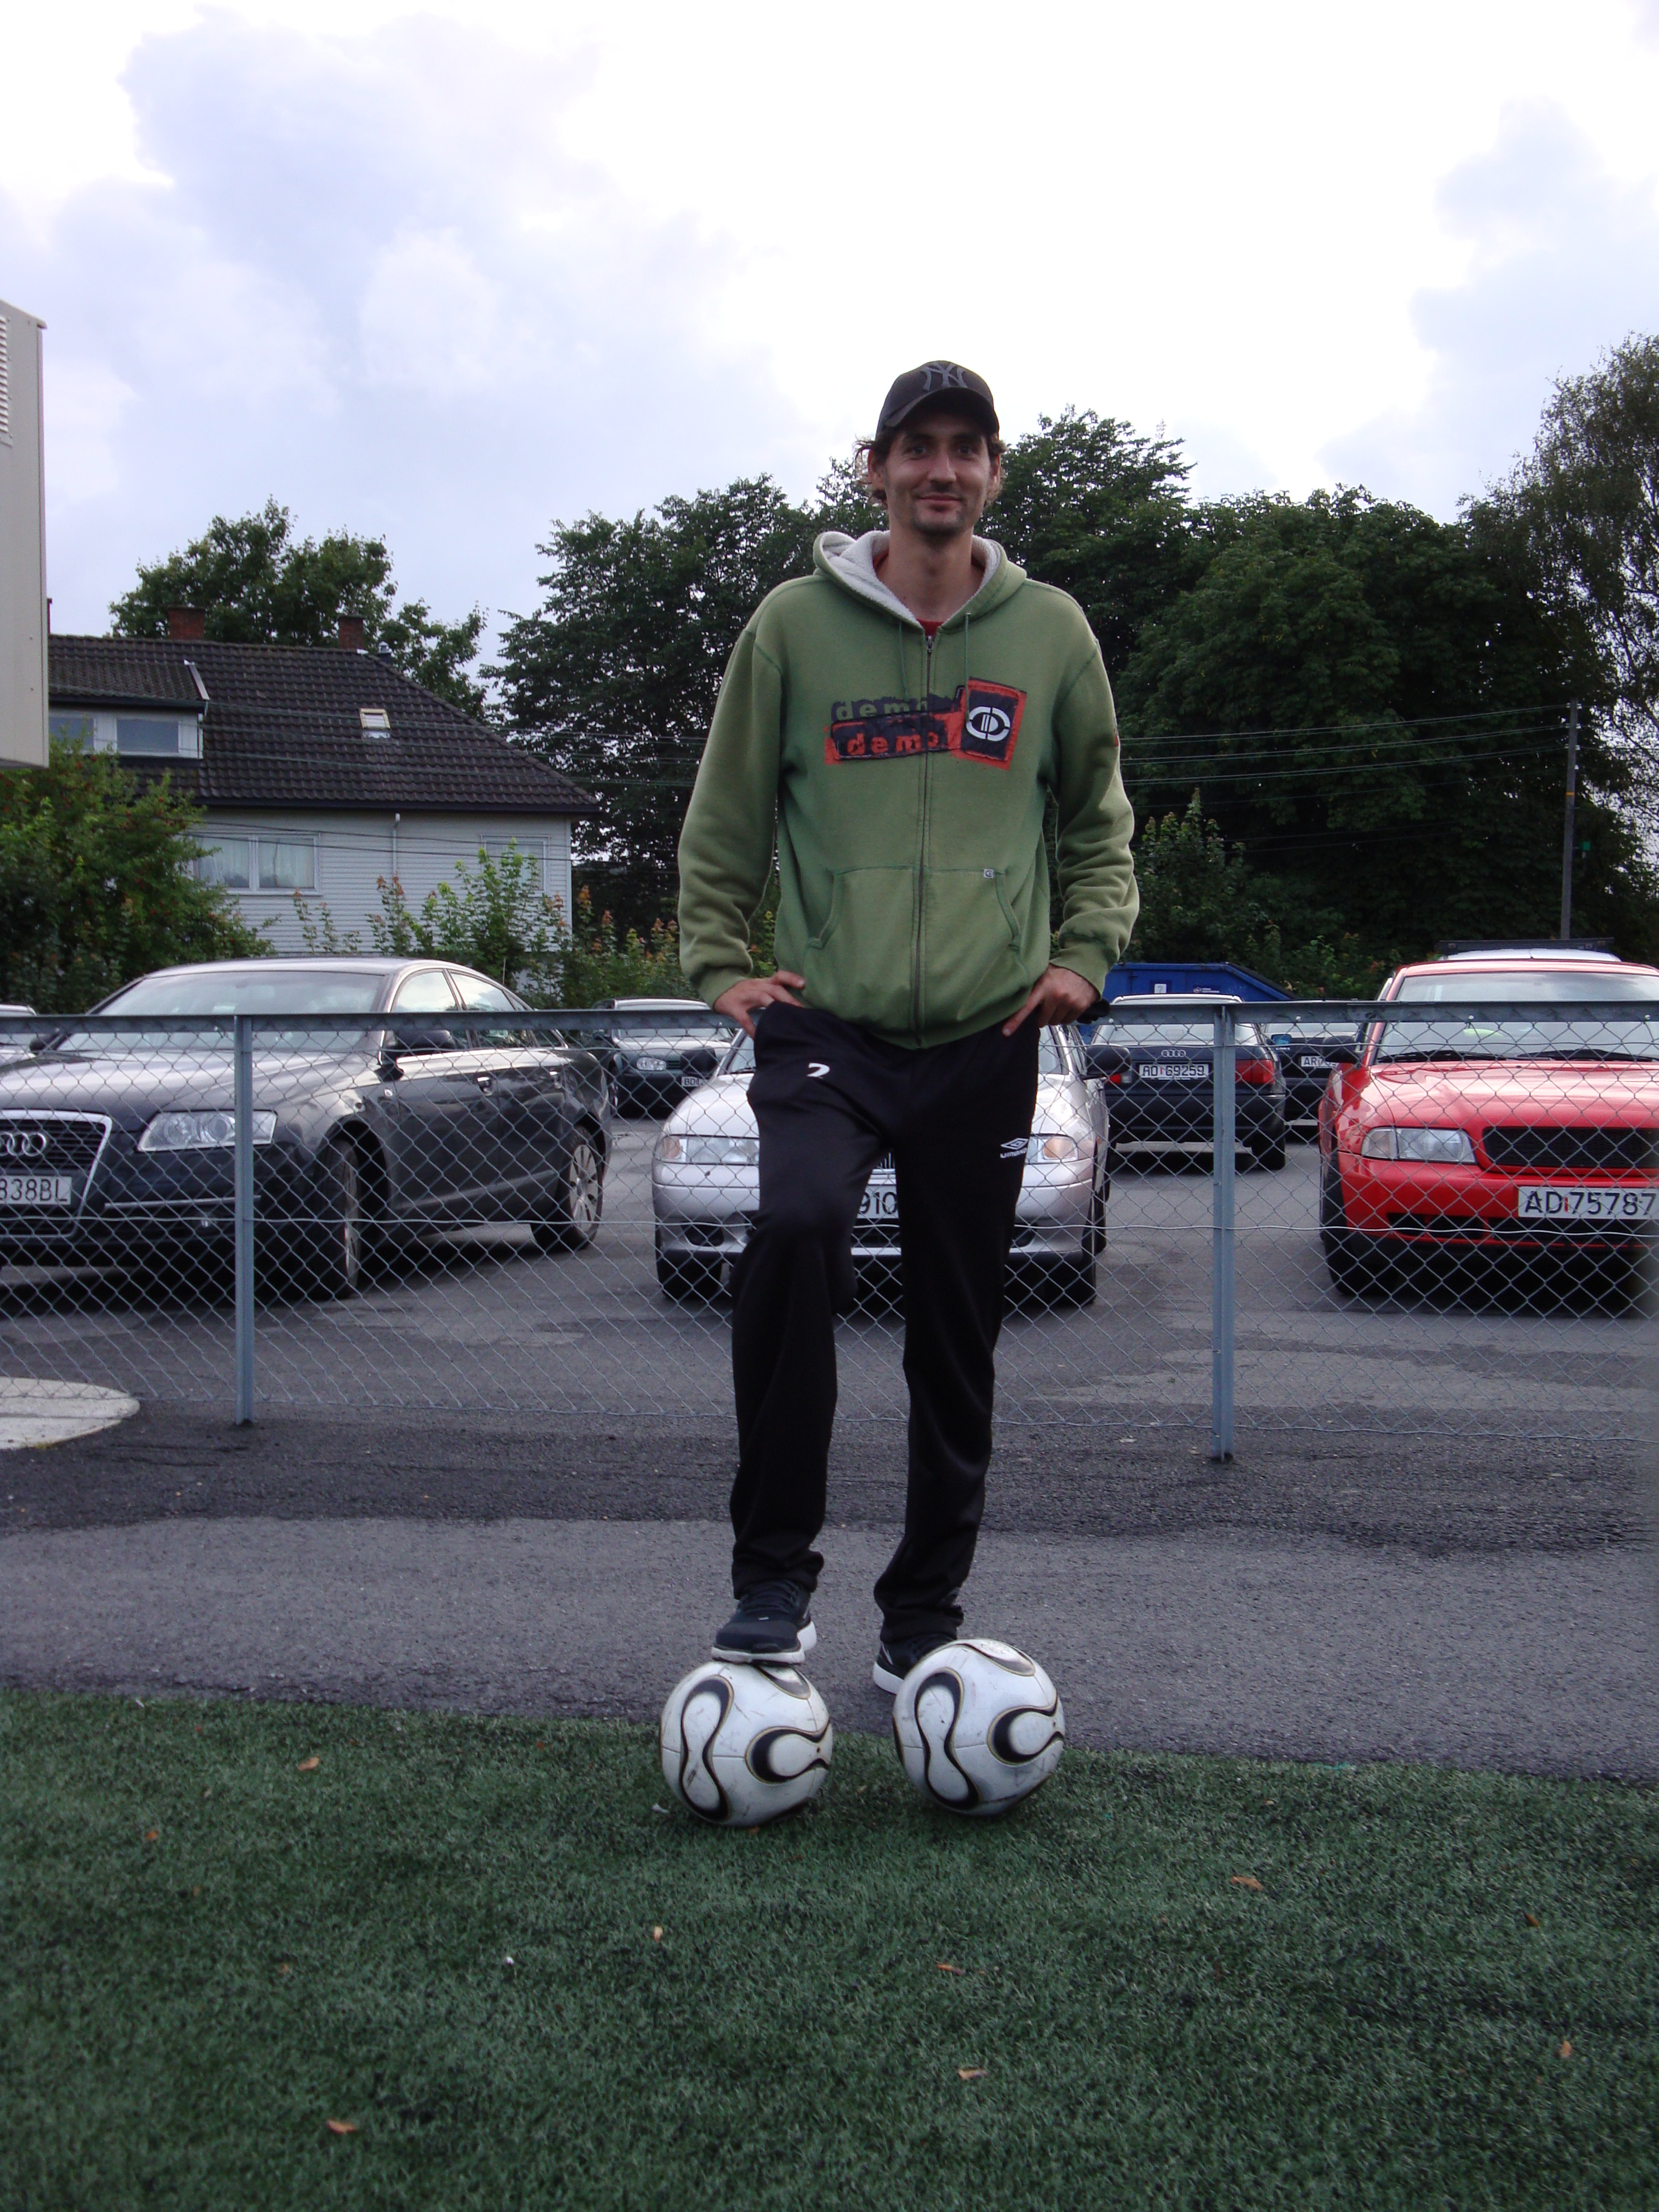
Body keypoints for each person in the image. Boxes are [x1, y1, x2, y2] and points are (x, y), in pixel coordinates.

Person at [677, 360, 1138, 1692]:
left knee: (957, 1330)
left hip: (988, 1036)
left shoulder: (1049, 631)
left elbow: (1098, 818)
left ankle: (922, 1612)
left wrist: (1084, 957)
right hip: (833, 1027)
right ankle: (772, 1578)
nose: (942, 470)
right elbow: (728, 812)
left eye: (965, 448)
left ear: (992, 472)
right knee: (797, 1229)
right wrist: (721, 964)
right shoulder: (792, 627)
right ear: (874, 468)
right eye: (917, 447)